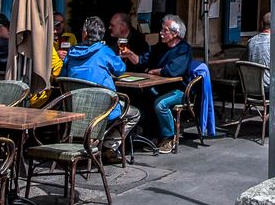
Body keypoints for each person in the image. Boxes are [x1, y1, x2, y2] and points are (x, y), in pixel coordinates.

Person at [62, 16, 140, 161]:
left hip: (74, 108)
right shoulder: (104, 51)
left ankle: (92, 140)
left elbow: (63, 76)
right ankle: (108, 145)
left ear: (84, 34)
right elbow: (120, 69)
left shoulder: (71, 53)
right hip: (102, 110)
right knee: (134, 113)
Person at [122, 14, 192, 154]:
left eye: (164, 30)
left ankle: (169, 137)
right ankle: (152, 134)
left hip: (179, 90)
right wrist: (129, 53)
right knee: (141, 98)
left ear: (175, 33)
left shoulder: (184, 49)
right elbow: (143, 61)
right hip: (159, 87)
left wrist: (155, 71)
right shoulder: (160, 47)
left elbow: (173, 71)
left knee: (160, 104)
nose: (161, 33)